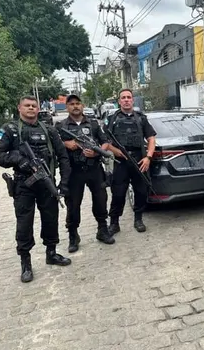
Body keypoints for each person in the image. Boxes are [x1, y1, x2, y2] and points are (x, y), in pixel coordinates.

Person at [0, 96, 72, 282]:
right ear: (19, 108)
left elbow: (63, 157)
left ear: (38, 109)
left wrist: (64, 183)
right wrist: (19, 160)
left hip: (47, 183)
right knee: (24, 223)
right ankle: (26, 262)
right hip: (24, 185)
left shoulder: (49, 130)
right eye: (27, 106)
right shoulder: (10, 130)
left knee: (50, 218)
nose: (31, 108)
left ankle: (51, 252)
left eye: (34, 106)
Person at [55, 94, 116, 251]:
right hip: (74, 172)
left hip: (94, 169)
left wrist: (96, 153)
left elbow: (105, 143)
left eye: (78, 103)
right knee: (73, 204)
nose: (75, 106)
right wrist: (65, 144)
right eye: (72, 104)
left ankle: (102, 230)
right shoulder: (61, 126)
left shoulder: (93, 124)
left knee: (101, 200)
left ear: (82, 105)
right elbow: (53, 145)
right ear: (67, 107)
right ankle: (73, 236)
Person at [104, 89, 156, 233]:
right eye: (123, 98)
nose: (126, 100)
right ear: (119, 101)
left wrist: (148, 157)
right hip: (121, 161)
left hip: (139, 160)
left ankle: (138, 219)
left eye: (129, 97)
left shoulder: (141, 118)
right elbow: (105, 141)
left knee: (140, 191)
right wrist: (116, 151)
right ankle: (114, 223)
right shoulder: (112, 119)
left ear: (132, 100)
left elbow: (151, 138)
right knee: (118, 193)